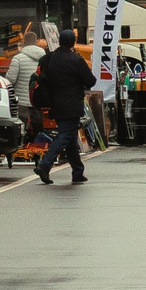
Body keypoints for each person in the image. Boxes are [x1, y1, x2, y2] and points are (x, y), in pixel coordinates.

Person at [32, 31, 97, 185]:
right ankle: (44, 166)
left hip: (55, 102)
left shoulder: (49, 59)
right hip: (72, 104)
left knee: (70, 138)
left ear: (59, 41)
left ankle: (77, 171)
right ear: (73, 43)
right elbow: (91, 80)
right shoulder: (76, 60)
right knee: (65, 136)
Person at [6, 32, 46, 143]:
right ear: (36, 41)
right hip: (37, 98)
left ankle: (21, 146)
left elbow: (11, 79)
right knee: (38, 126)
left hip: (21, 100)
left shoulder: (17, 58)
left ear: (24, 42)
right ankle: (39, 147)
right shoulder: (44, 57)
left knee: (21, 126)